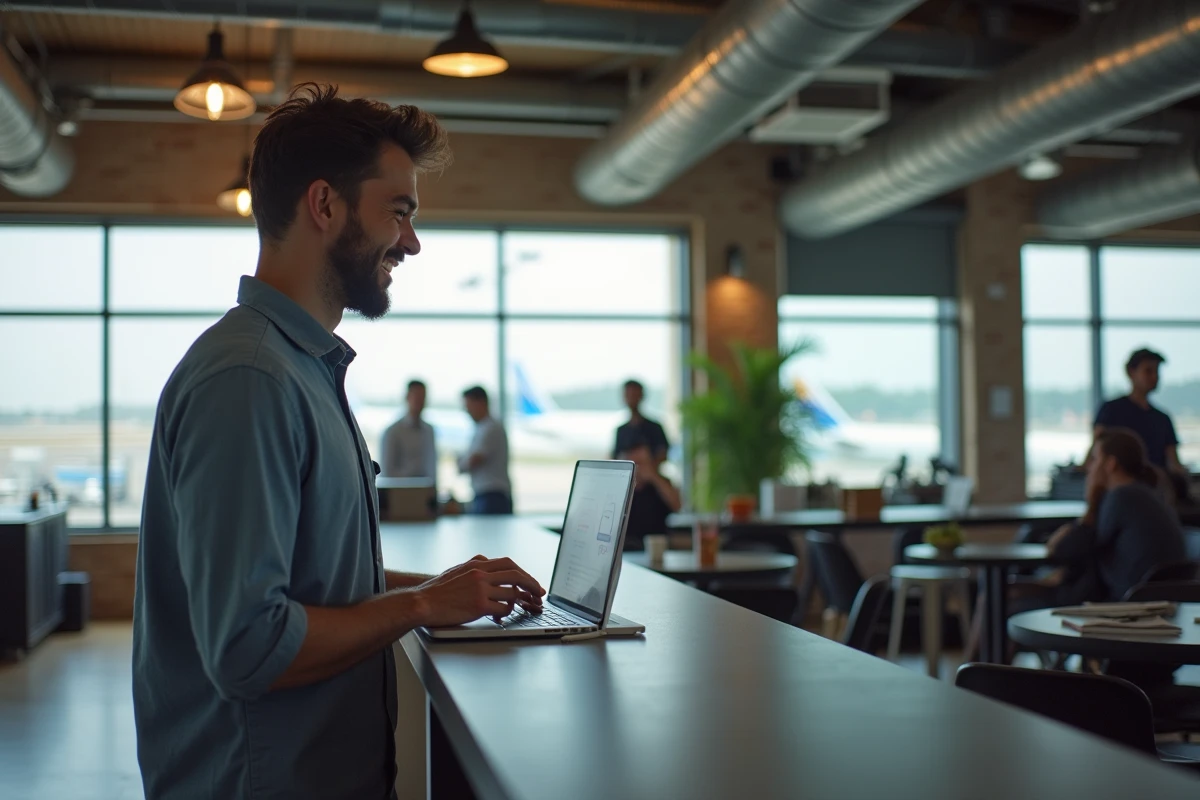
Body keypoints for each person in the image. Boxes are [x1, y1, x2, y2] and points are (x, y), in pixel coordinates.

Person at [132, 84, 544, 800]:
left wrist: (446, 591)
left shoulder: (300, 369)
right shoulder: (250, 379)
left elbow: (311, 586)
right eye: (400, 211)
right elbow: (250, 645)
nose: (411, 241)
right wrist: (418, 609)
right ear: (324, 206)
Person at [1044, 427, 1186, 604]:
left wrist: (1092, 497)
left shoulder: (1121, 497)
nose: (1089, 468)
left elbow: (1068, 550)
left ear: (1111, 464)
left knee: (1028, 603)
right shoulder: (1145, 494)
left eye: (1094, 460)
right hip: (1160, 601)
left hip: (1130, 604)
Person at [1094, 348, 1185, 477]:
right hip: (1119, 486)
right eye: (1148, 371)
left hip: (1154, 488)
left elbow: (1174, 462)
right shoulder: (1111, 410)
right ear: (1131, 372)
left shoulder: (1162, 419)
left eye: (1157, 372)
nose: (1155, 377)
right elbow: (1097, 448)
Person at [459, 386, 513, 515]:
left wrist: (461, 463)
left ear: (480, 403)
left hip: (492, 496)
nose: (467, 411)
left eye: (469, 406)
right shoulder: (483, 428)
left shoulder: (490, 428)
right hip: (487, 495)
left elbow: (473, 460)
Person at [619, 441, 682, 551]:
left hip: (657, 548)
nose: (638, 469)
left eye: (642, 463)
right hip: (626, 550)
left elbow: (677, 505)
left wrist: (654, 477)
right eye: (634, 464)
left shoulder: (661, 484)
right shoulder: (620, 488)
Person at [380, 379, 437, 484]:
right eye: (417, 397)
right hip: (400, 493)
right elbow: (387, 471)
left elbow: (432, 467)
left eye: (423, 397)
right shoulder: (393, 432)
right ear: (407, 397)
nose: (420, 402)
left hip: (425, 493)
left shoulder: (429, 431)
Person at [613, 379, 669, 465]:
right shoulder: (621, 430)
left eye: (634, 394)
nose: (632, 398)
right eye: (629, 395)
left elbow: (663, 454)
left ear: (641, 396)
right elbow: (615, 457)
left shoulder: (655, 428)